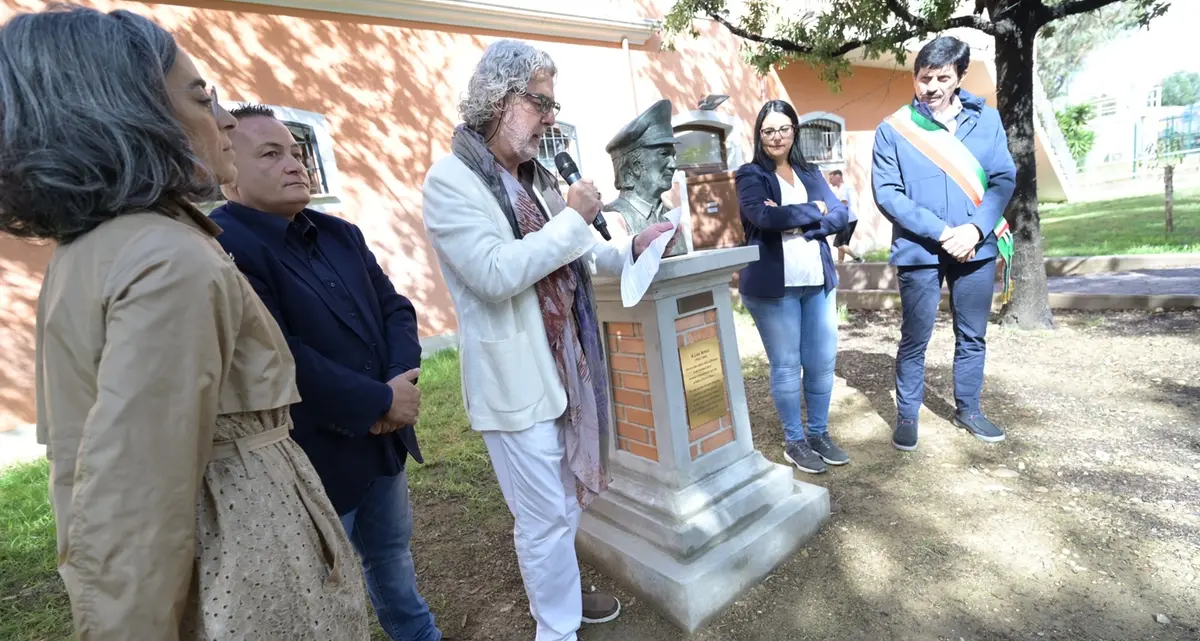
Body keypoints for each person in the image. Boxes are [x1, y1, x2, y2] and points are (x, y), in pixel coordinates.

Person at [3, 6, 370, 639]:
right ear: (126, 115)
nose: (226, 120)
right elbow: (134, 506)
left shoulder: (98, 246)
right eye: (203, 99)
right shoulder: (169, 259)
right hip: (246, 561)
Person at [420, 39, 676, 641]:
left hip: (567, 369)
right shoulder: (451, 180)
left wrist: (630, 249)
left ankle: (560, 599)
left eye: (552, 106)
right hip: (517, 381)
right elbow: (494, 273)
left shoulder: (533, 179)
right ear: (500, 98)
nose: (550, 118)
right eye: (541, 103)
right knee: (542, 519)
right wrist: (573, 218)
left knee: (562, 507)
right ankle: (554, 630)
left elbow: (582, 253)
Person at [209, 105, 444, 641]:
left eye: (297, 151)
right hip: (312, 455)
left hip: (383, 442)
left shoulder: (341, 234)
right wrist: (377, 402)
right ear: (230, 168)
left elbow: (396, 309)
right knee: (324, 587)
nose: (296, 164)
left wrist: (396, 386)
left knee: (392, 557)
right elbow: (275, 352)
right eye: (271, 154)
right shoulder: (224, 247)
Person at [870, 35, 1016, 451]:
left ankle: (968, 409)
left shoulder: (986, 121)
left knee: (972, 334)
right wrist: (942, 232)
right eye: (923, 78)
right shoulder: (893, 129)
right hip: (920, 250)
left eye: (941, 78)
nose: (930, 87)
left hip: (977, 247)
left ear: (960, 76)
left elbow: (1003, 178)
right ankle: (907, 413)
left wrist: (974, 229)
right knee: (915, 335)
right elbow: (888, 193)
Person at [734, 100, 851, 475]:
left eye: (783, 128)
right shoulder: (750, 174)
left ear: (794, 131)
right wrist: (814, 210)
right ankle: (795, 441)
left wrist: (805, 218)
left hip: (817, 281)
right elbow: (763, 216)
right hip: (773, 286)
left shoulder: (810, 172)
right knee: (786, 366)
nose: (776, 137)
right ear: (759, 135)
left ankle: (818, 433)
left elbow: (841, 214)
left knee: (821, 363)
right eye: (768, 130)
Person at [827, 169, 864, 263]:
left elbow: (843, 203)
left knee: (840, 244)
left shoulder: (844, 189)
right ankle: (840, 264)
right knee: (842, 244)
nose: (830, 181)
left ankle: (857, 259)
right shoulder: (842, 189)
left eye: (831, 179)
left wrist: (830, 212)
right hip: (848, 219)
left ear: (837, 177)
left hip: (848, 220)